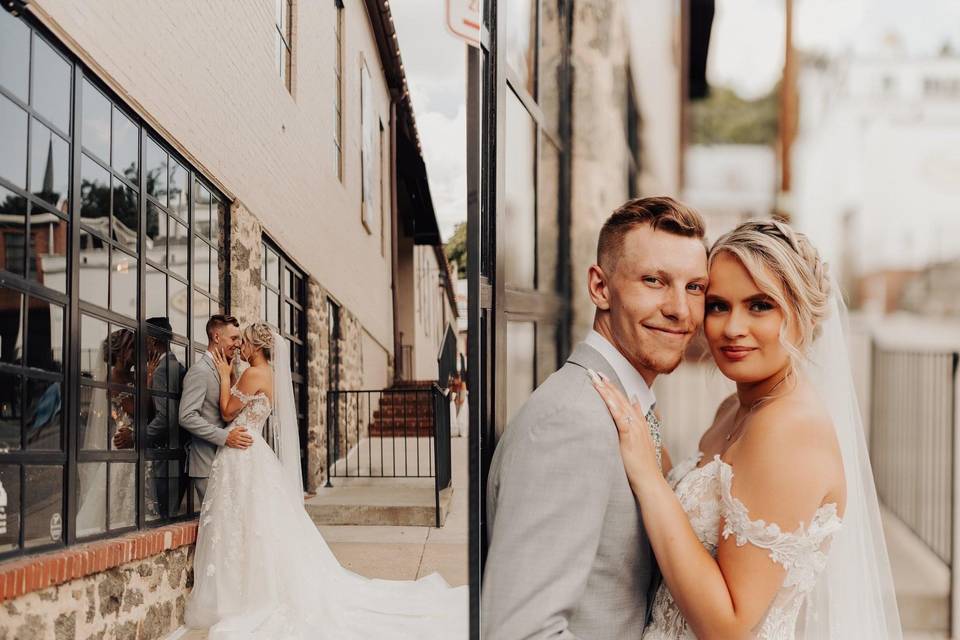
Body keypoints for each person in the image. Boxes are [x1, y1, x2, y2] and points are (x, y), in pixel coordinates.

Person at [591, 219, 901, 638]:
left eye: (760, 305)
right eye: (718, 305)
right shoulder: (734, 409)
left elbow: (729, 626)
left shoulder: (787, 431)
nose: (733, 328)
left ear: (803, 314)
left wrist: (649, 480)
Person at [483, 196, 709, 639]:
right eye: (654, 281)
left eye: (695, 287)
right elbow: (523, 632)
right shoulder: (573, 423)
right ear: (600, 288)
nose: (680, 309)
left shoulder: (623, 406)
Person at [181, 322, 467, 639]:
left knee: (246, 525)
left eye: (245, 342)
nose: (241, 348)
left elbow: (225, 409)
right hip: (252, 449)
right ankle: (253, 587)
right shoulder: (271, 377)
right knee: (257, 525)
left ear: (258, 348)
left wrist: (224, 376)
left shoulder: (251, 374)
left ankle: (245, 592)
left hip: (241, 451)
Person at [178, 314, 252, 504]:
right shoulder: (200, 371)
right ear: (217, 337)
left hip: (226, 463)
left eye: (240, 339)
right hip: (206, 465)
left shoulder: (227, 369)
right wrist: (225, 437)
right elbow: (186, 416)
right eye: (234, 338)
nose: (238, 344)